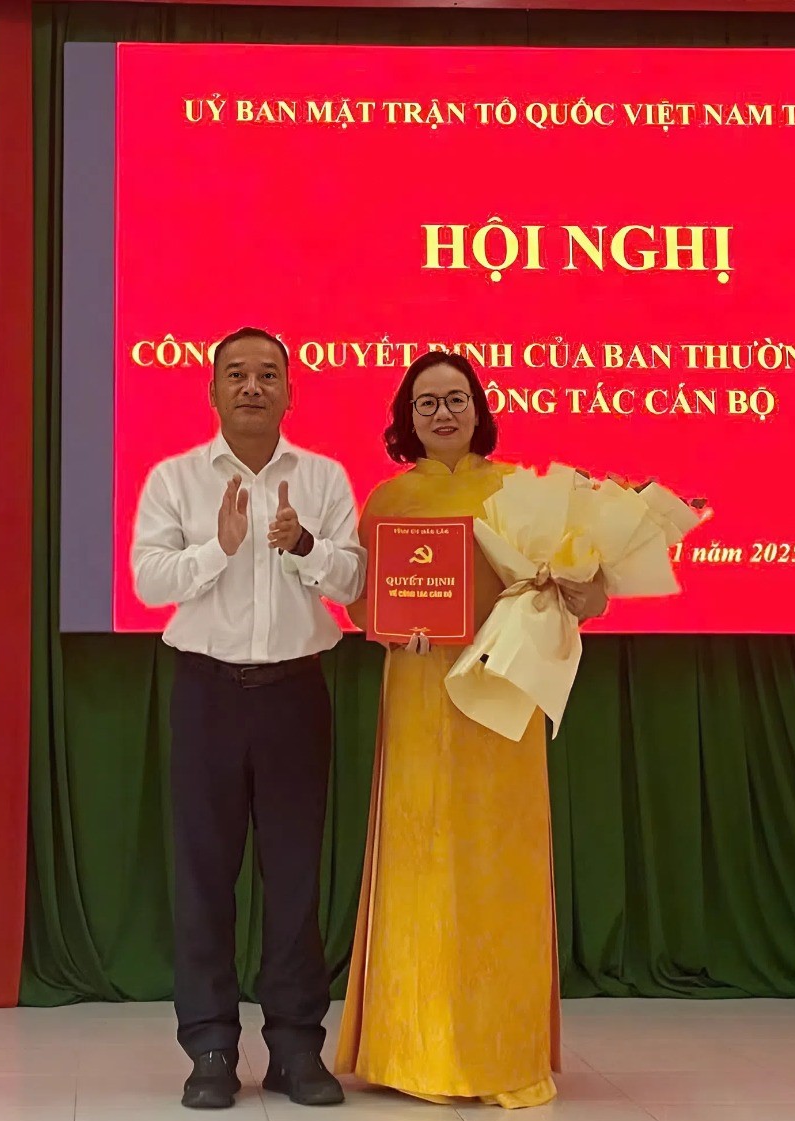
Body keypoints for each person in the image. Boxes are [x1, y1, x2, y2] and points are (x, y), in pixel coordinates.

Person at [334, 351, 606, 1109]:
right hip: (419, 694)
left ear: (479, 409)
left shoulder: (521, 492)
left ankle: (500, 1055)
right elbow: (362, 601)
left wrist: (581, 579)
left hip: (501, 697)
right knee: (418, 860)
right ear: (407, 417)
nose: (443, 413)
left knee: (498, 866)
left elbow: (584, 598)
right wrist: (392, 624)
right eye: (426, 402)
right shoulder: (388, 499)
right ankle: (409, 1050)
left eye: (456, 398)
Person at [132, 326, 366, 1110]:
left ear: (291, 392)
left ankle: (296, 1047)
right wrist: (219, 548)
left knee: (295, 877)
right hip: (206, 693)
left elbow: (354, 579)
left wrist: (303, 544)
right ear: (213, 391)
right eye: (237, 374)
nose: (253, 387)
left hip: (296, 693)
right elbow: (147, 580)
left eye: (268, 374)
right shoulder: (174, 479)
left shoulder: (324, 477)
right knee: (204, 875)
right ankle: (210, 1046)